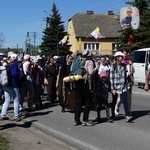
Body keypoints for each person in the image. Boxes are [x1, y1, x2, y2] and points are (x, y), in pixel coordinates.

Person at [0, 53, 25, 121]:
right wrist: (20, 72)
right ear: (16, 59)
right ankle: (16, 116)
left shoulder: (7, 65)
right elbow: (14, 74)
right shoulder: (14, 65)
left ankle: (3, 114)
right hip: (13, 84)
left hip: (5, 84)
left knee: (7, 100)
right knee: (16, 100)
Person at [109, 51, 132, 122]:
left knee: (124, 101)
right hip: (115, 87)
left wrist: (130, 67)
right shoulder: (113, 66)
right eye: (120, 56)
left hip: (123, 86)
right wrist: (112, 89)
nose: (122, 58)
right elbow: (111, 78)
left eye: (122, 56)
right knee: (114, 101)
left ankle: (127, 115)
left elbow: (125, 76)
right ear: (116, 58)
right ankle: (112, 115)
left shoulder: (123, 66)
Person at [115, 50, 135, 116]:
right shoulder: (120, 63)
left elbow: (133, 71)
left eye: (126, 54)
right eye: (123, 54)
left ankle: (129, 111)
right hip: (122, 83)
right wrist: (127, 73)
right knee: (121, 98)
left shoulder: (128, 62)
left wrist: (131, 65)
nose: (125, 55)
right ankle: (117, 107)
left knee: (129, 98)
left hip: (129, 82)